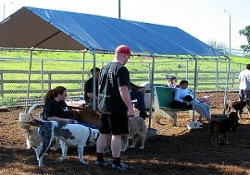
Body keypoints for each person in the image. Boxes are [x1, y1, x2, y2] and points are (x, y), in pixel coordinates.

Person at [95, 45, 134, 171]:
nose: (128, 59)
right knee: (116, 135)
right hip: (116, 107)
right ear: (125, 55)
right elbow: (123, 89)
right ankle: (116, 162)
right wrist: (130, 107)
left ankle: (99, 159)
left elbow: (100, 86)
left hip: (104, 105)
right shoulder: (121, 69)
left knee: (103, 133)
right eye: (128, 57)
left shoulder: (105, 68)